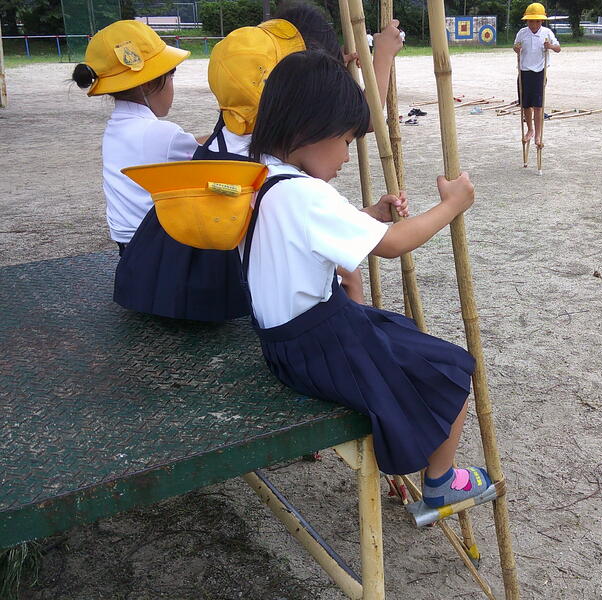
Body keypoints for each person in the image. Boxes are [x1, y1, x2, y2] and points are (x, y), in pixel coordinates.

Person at [244, 50, 490, 505]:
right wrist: (451, 205)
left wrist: (370, 215)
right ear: (309, 128)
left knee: (401, 335)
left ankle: (430, 462)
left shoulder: (262, 178)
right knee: (452, 368)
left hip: (285, 345)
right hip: (319, 346)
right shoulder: (305, 193)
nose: (346, 155)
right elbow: (393, 245)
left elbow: (306, 236)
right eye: (345, 140)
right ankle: (441, 481)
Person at [198, 3, 403, 303]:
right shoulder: (280, 168)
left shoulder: (237, 131)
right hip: (238, 286)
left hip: (215, 272)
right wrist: (382, 56)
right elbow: (367, 119)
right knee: (348, 274)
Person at [72, 21, 249, 321]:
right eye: (170, 75)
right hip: (159, 252)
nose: (172, 85)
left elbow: (192, 145)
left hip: (128, 249)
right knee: (229, 199)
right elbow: (213, 153)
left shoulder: (118, 128)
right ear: (147, 84)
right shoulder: (160, 135)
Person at [513, 3, 560, 148]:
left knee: (538, 106)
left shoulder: (547, 33)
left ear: (542, 21)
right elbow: (515, 47)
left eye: (537, 21)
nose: (534, 24)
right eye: (531, 21)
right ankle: (530, 130)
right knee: (525, 104)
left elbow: (558, 48)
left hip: (539, 72)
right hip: (524, 71)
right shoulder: (522, 33)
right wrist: (517, 48)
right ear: (527, 21)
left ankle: (538, 135)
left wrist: (550, 46)